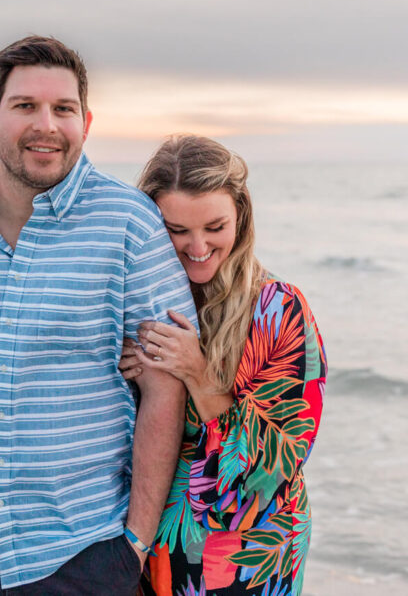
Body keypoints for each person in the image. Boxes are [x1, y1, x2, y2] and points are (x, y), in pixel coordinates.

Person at [0, 36, 197, 594]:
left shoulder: (130, 224)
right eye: (25, 106)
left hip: (77, 552)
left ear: (87, 120)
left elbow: (164, 386)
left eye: (63, 108)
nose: (46, 125)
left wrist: (136, 543)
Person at [119, 134, 327, 595]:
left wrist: (196, 372)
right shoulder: (134, 304)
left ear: (242, 218)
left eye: (215, 227)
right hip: (144, 548)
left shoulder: (278, 311)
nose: (198, 246)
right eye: (177, 230)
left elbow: (278, 462)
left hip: (247, 555)